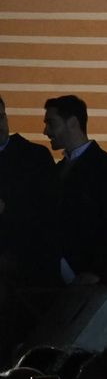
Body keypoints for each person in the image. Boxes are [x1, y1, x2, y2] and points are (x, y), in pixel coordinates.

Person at [43, 94, 107, 286]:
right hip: (60, 282)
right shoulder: (59, 170)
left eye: (51, 123)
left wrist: (95, 272)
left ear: (72, 122)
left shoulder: (106, 166)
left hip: (89, 284)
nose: (45, 131)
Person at [0, 93, 59, 290]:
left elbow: (51, 211)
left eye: (0, 117)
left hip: (28, 271)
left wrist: (9, 210)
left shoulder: (35, 157)